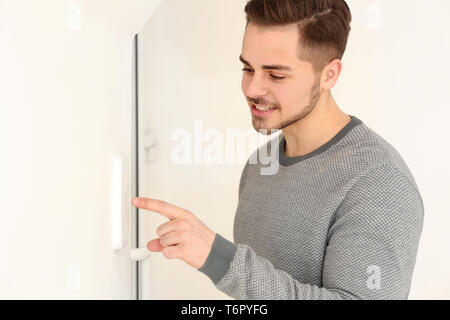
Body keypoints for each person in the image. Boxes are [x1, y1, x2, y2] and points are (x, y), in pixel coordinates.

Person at [132, 0, 424, 300]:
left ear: (329, 74)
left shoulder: (377, 181)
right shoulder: (259, 165)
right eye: (248, 68)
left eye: (276, 75)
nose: (252, 89)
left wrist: (218, 258)